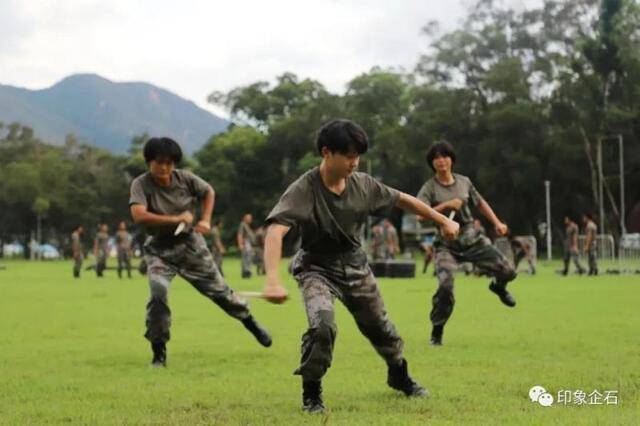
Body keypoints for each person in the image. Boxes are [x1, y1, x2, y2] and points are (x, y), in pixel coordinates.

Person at [261, 119, 459, 413]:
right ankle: (311, 393)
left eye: (358, 156)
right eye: (348, 156)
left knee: (380, 328)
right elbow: (276, 230)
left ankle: (399, 374)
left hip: (355, 266)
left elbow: (404, 200)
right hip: (316, 267)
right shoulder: (304, 189)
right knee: (322, 326)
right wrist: (272, 280)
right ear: (327, 152)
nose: (355, 163)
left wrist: (442, 220)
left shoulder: (363, 185)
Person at [129, 137, 272, 367]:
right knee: (158, 294)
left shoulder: (185, 178)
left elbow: (208, 192)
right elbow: (139, 215)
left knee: (220, 292)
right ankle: (159, 352)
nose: (164, 168)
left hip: (190, 246)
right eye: (159, 162)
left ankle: (250, 322)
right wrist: (175, 218)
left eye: (169, 163)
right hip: (159, 249)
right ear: (149, 162)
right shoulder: (141, 184)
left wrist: (205, 219)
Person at [416, 141, 517, 347]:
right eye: (436, 158)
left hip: (472, 239)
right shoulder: (429, 187)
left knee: (508, 270)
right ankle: (437, 332)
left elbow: (480, 203)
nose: (441, 160)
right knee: (445, 286)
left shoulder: (464, 182)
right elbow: (420, 215)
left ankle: (498, 287)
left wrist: (497, 222)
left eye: (444, 156)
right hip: (446, 244)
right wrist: (445, 206)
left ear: (451, 159)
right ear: (432, 163)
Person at [237, 214, 255, 278]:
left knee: (248, 258)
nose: (250, 220)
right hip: (245, 244)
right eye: (249, 218)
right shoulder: (242, 224)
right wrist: (240, 244)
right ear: (245, 218)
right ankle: (246, 272)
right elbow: (240, 234)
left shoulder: (246, 225)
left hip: (248, 244)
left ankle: (247, 271)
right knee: (246, 258)